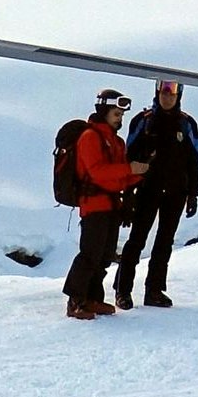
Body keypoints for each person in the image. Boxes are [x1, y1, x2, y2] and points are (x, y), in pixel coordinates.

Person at [112, 79, 198, 308]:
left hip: (176, 192)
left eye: (172, 91)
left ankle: (154, 290)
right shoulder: (143, 122)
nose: (167, 95)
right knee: (136, 241)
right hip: (146, 190)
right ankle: (122, 291)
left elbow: (196, 159)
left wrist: (193, 193)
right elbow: (128, 156)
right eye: (163, 90)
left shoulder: (187, 123)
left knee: (164, 242)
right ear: (156, 91)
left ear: (179, 94)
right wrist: (127, 193)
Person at [62, 89, 140, 322]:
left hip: (111, 205)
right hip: (94, 204)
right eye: (116, 114)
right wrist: (130, 170)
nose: (120, 119)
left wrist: (139, 173)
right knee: (90, 254)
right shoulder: (90, 137)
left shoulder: (116, 141)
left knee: (104, 256)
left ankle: (92, 297)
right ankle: (75, 300)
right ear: (104, 111)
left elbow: (117, 176)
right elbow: (97, 173)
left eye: (121, 115)